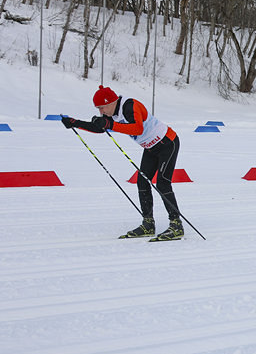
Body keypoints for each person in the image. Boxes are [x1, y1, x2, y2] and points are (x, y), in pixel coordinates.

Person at [62, 85, 183, 241]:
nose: (101, 112)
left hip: (167, 143)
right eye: (98, 109)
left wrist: (109, 124)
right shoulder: (112, 112)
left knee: (162, 183)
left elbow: (137, 129)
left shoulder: (130, 105)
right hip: (150, 147)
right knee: (142, 182)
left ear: (111, 102)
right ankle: (148, 224)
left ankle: (176, 225)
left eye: (102, 107)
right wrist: (75, 123)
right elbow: (100, 128)